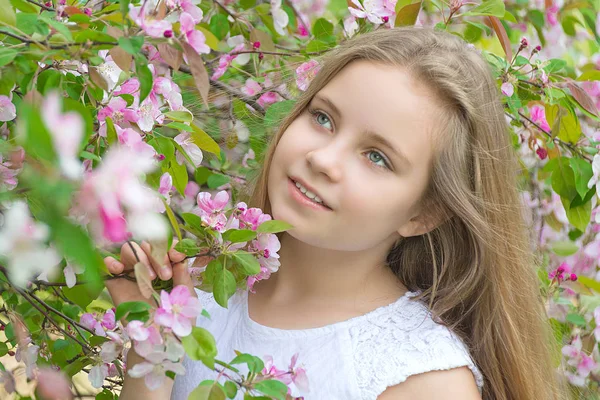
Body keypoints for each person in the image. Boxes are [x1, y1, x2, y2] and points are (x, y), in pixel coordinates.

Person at [105, 26, 569, 399]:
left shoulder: (418, 379)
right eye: (323, 118)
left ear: (425, 213)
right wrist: (153, 347)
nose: (323, 159)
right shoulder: (201, 290)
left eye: (377, 157)